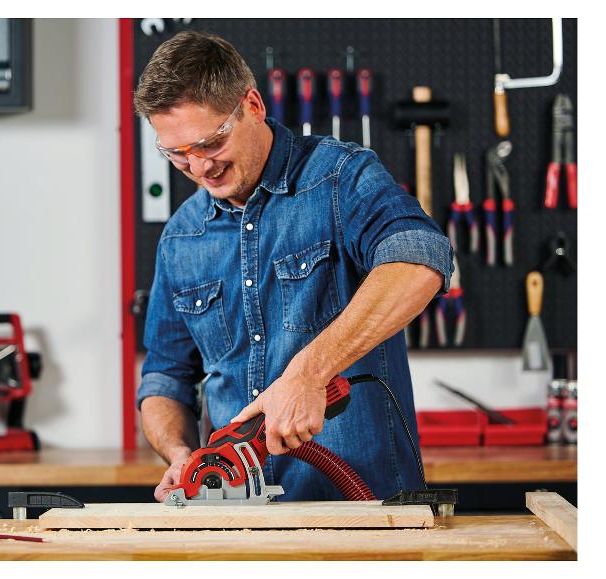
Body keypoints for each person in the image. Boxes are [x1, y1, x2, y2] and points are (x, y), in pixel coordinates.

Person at [133, 31, 453, 502]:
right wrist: (182, 457)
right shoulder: (181, 238)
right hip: (238, 520)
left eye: (211, 142)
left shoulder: (340, 178)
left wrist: (309, 373)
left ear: (254, 106)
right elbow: (165, 379)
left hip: (366, 512)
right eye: (177, 153)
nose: (199, 167)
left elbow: (421, 258)